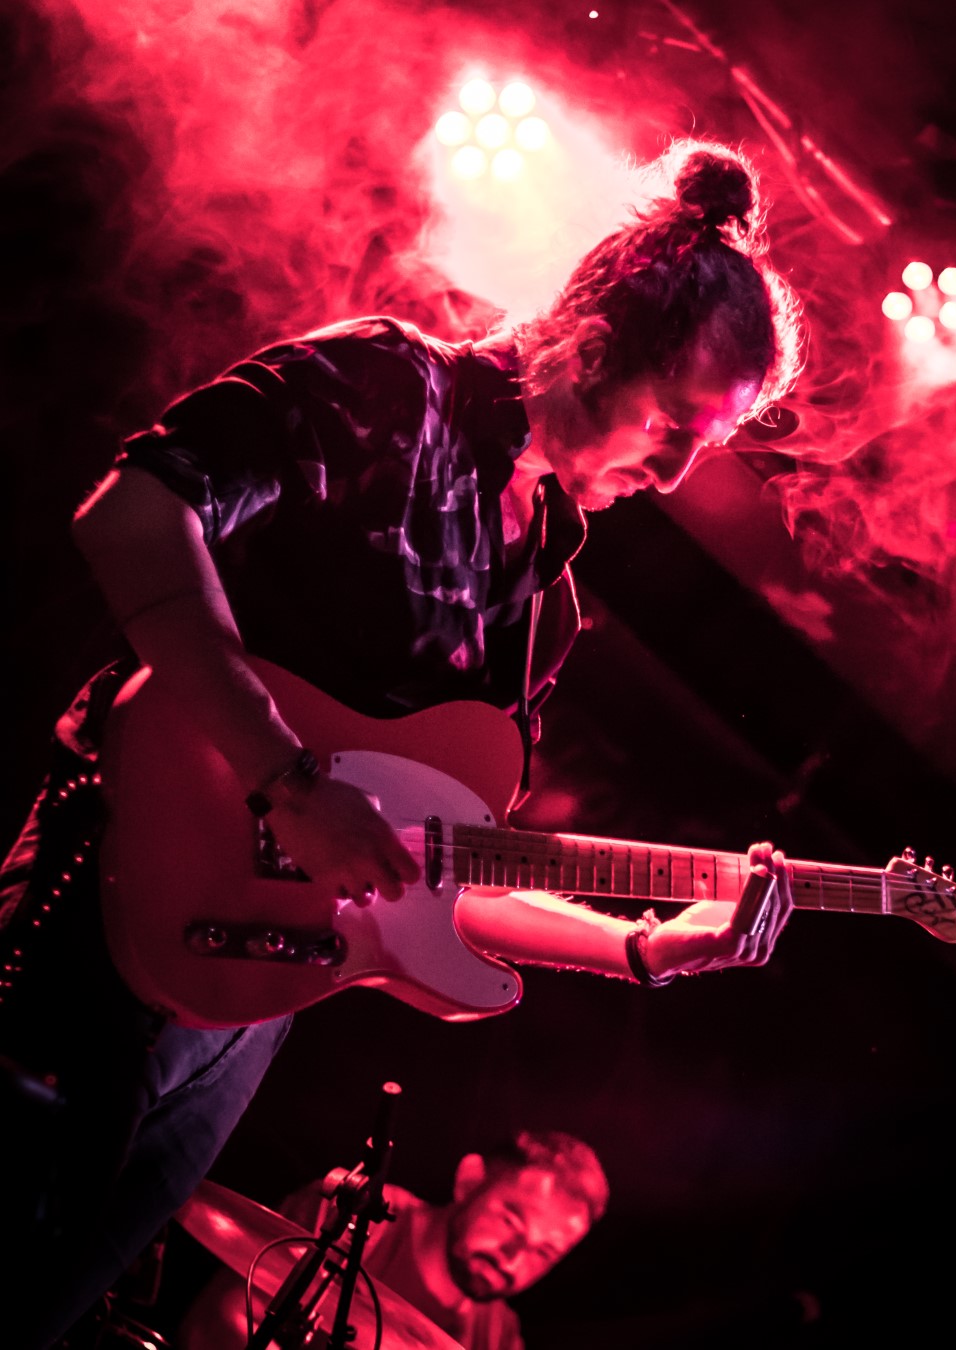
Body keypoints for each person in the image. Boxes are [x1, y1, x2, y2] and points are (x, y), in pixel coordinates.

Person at [0, 140, 802, 1346]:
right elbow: (133, 510)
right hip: (105, 908)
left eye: (710, 442)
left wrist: (647, 948)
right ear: (594, 347)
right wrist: (285, 779)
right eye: (674, 422)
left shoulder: (545, 605)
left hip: (252, 1004)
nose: (680, 471)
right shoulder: (390, 389)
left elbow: (438, 869)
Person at [178, 1130, 608, 1350]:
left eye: (544, 1253)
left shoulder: (498, 1336)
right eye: (511, 1221)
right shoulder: (355, 1218)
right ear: (469, 1180)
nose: (513, 1259)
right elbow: (221, 1321)